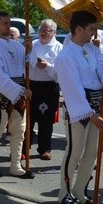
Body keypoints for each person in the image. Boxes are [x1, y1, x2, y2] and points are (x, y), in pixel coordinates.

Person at [56, 11, 103, 204]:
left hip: (95, 104)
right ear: (78, 29)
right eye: (91, 29)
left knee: (91, 153)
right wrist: (90, 112)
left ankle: (80, 191)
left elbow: (102, 81)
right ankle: (64, 193)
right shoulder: (66, 55)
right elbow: (72, 87)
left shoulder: (92, 49)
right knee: (75, 151)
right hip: (80, 108)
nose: (94, 33)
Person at [0, 11, 35, 179]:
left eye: (9, 22)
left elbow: (28, 64)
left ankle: (15, 165)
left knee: (19, 130)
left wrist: (29, 50)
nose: (8, 25)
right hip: (3, 94)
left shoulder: (17, 45)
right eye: (5, 23)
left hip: (19, 93)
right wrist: (19, 91)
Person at [29, 19, 63, 160]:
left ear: (54, 32)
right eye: (41, 30)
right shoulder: (32, 45)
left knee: (45, 120)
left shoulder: (59, 48)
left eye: (46, 30)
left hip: (49, 87)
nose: (43, 33)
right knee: (28, 119)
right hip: (31, 85)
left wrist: (47, 66)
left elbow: (61, 72)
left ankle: (45, 149)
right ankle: (24, 148)